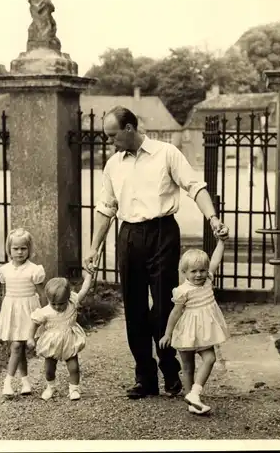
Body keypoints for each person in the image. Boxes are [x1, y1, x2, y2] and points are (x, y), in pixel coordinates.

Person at [84, 106, 229, 400]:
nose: (110, 142)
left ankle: (170, 369)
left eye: (113, 136)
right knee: (134, 308)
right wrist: (93, 247)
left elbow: (195, 186)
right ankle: (145, 377)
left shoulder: (166, 153)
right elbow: (106, 208)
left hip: (163, 232)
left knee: (165, 304)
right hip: (129, 235)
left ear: (129, 128)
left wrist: (212, 218)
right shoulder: (113, 164)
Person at [159, 236, 229, 414]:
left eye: (202, 271)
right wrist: (167, 334)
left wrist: (221, 242)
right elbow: (175, 314)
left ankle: (195, 393)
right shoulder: (182, 291)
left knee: (210, 358)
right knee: (188, 367)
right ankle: (192, 402)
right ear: (185, 272)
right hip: (187, 332)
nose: (199, 275)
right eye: (194, 271)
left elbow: (215, 260)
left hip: (204, 332)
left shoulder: (208, 281)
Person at [0, 228, 47, 397]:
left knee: (20, 347)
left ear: (29, 249)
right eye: (15, 248)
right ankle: (10, 383)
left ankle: (22, 382)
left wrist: (46, 315)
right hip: (12, 310)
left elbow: (42, 293)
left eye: (23, 248)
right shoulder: (5, 270)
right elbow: (5, 293)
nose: (19, 252)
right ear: (9, 249)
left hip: (29, 311)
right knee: (17, 346)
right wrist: (5, 315)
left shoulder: (34, 270)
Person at [27, 273, 93, 401]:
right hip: (52, 342)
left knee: (74, 367)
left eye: (61, 303)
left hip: (69, 340)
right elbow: (34, 323)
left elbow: (84, 289)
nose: (58, 307)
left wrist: (89, 276)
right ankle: (50, 387)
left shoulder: (73, 303)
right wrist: (30, 338)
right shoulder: (45, 312)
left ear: (68, 298)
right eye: (54, 304)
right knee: (49, 368)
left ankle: (74, 389)